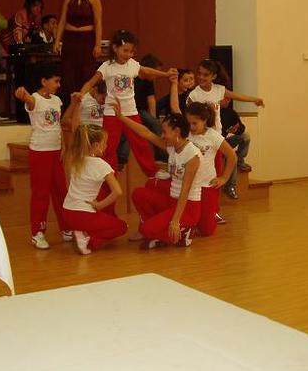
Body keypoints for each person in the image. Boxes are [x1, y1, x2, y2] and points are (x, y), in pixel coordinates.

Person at [77, 29, 177, 177]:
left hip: (130, 111)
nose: (128, 54)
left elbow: (147, 71)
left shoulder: (132, 64)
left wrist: (165, 74)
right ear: (115, 48)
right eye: (125, 50)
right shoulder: (107, 66)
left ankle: (152, 172)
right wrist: (81, 94)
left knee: (140, 142)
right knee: (108, 146)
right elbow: (91, 83)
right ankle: (108, 175)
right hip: (112, 113)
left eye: (131, 51)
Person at [112, 105, 201, 249]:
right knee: (139, 194)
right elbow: (146, 133)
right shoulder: (172, 147)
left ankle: (184, 231)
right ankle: (161, 233)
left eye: (165, 132)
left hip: (188, 208)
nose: (162, 136)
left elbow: (185, 190)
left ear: (177, 131)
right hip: (172, 201)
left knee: (146, 230)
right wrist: (122, 118)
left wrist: (175, 221)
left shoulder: (193, 155)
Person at [14, 66, 71, 250]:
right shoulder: (35, 99)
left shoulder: (57, 100)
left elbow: (58, 125)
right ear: (44, 81)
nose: (58, 85)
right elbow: (27, 99)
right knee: (41, 193)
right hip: (40, 152)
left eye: (59, 81)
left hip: (56, 152)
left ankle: (66, 228)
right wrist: (22, 93)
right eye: (55, 81)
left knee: (61, 191)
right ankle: (37, 233)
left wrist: (63, 145)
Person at [62, 123, 127, 254]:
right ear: (96, 145)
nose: (106, 145)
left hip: (67, 212)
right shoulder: (101, 165)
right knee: (122, 227)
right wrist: (99, 205)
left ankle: (81, 232)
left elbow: (68, 183)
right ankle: (88, 239)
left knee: (99, 221)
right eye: (105, 143)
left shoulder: (75, 159)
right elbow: (118, 191)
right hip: (83, 215)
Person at [181, 98, 236, 237]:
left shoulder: (213, 136)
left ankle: (208, 217)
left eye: (195, 123)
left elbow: (232, 156)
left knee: (207, 230)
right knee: (189, 219)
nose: (191, 127)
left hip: (206, 185)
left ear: (204, 120)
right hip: (188, 185)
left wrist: (224, 178)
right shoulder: (185, 133)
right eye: (189, 123)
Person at [53, 0, 103, 102]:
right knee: (68, 72)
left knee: (86, 71)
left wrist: (98, 44)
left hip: (86, 39)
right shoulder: (68, 0)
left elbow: (98, 22)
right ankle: (69, 103)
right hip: (70, 39)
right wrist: (57, 41)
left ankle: (85, 102)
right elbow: (62, 21)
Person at [219, 101, 252, 200]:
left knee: (245, 136)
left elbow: (241, 128)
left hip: (224, 141)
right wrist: (226, 130)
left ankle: (240, 159)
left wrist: (236, 129)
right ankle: (231, 186)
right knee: (231, 154)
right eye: (225, 98)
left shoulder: (231, 112)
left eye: (229, 98)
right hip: (216, 143)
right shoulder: (213, 112)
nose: (227, 100)